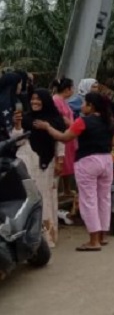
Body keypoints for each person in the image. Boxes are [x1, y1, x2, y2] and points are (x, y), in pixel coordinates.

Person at [35, 92, 114, 251]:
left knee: (89, 200)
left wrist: (48, 127)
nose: (81, 106)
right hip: (106, 160)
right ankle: (102, 236)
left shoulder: (83, 121)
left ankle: (93, 241)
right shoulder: (109, 121)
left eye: (84, 103)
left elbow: (64, 137)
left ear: (91, 106)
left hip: (88, 161)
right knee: (104, 198)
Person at [12, 88, 67, 247]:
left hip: (46, 164)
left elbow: (60, 140)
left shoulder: (55, 120)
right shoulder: (26, 118)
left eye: (38, 99)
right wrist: (17, 124)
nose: (34, 102)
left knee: (45, 197)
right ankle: (27, 238)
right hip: (26, 161)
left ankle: (46, 238)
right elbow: (17, 141)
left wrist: (60, 161)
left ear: (46, 101)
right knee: (28, 198)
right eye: (32, 99)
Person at [51, 78, 78, 197]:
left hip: (68, 135)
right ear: (67, 89)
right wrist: (74, 126)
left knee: (67, 163)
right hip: (63, 134)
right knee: (61, 162)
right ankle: (58, 190)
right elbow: (61, 117)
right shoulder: (56, 100)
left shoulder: (62, 100)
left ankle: (67, 189)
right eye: (72, 87)